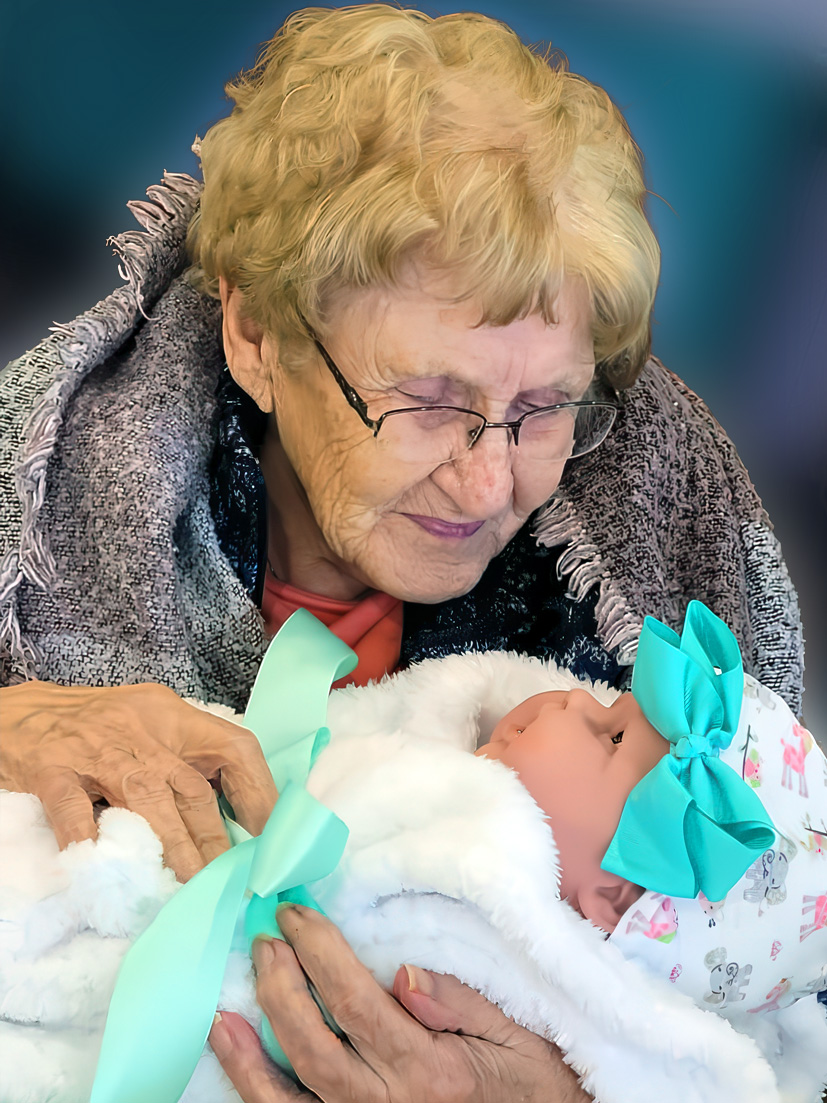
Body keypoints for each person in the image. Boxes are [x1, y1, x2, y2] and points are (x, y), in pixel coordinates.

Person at [0, 6, 805, 1101]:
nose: (488, 484)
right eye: (426, 402)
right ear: (253, 333)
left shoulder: (672, 548)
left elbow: (779, 982)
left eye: (541, 408)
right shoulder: (43, 485)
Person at [2, 605, 824, 1103]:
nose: (576, 694)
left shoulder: (505, 917)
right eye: (428, 394)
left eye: (608, 734)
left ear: (611, 899)